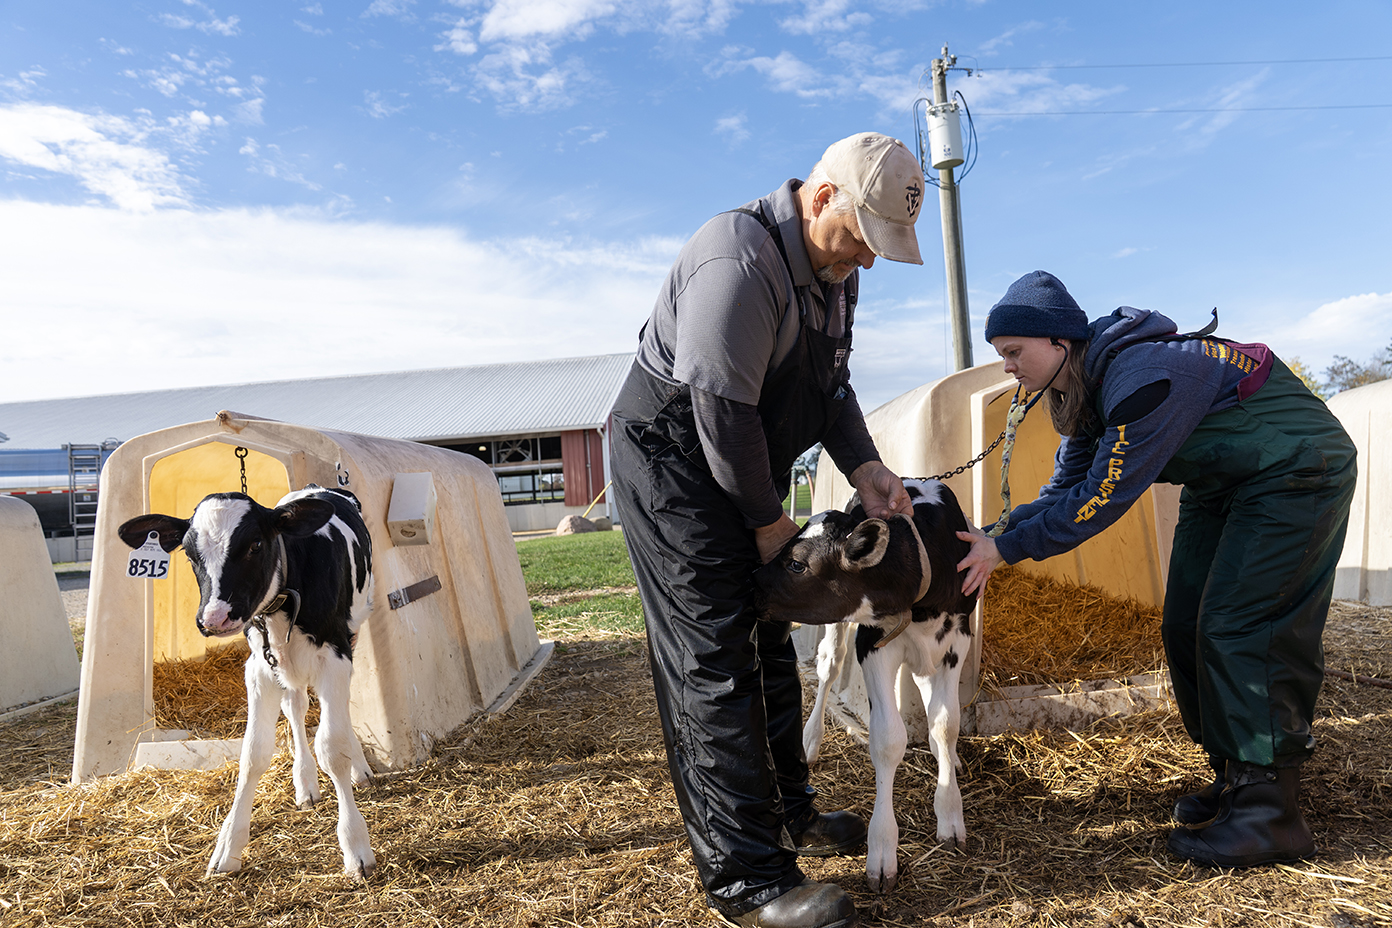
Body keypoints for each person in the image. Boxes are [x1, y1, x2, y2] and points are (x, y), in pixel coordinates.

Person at [609, 132, 925, 928]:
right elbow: (720, 409)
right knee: (713, 656)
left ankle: (791, 814)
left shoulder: (833, 272)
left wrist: (865, 469)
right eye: (861, 237)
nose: (869, 260)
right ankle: (747, 882)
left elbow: (832, 385)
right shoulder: (737, 261)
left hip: (739, 454)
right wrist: (766, 524)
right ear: (821, 199)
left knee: (770, 639)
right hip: (674, 463)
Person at [957, 270, 1357, 869]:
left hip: (1295, 469)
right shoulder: (1082, 390)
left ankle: (1272, 811)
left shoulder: (1141, 376)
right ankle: (1236, 775)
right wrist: (995, 534)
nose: (1008, 366)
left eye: (1014, 351)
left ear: (1059, 340)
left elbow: (1102, 499)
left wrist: (1007, 552)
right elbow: (1066, 487)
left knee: (1241, 624)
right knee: (1185, 623)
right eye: (1001, 355)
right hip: (1224, 482)